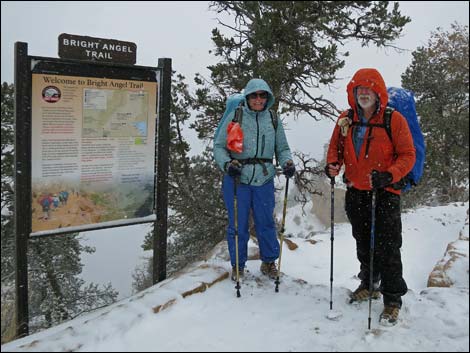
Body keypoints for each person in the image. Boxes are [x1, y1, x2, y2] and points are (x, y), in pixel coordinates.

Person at [324, 68, 416, 325]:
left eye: (368, 89)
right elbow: (336, 148)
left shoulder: (393, 119)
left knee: (388, 245)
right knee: (362, 241)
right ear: (353, 92)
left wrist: (390, 175)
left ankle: (392, 298)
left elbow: (408, 155)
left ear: (378, 92)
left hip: (385, 192)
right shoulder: (346, 119)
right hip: (356, 191)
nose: (363, 93)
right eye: (359, 89)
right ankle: (369, 281)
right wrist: (333, 165)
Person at [214, 78, 295, 282]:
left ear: (267, 97)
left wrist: (287, 163)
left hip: (264, 177)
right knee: (237, 224)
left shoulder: (273, 119)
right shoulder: (236, 116)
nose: (258, 99)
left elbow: (282, 148)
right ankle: (238, 266)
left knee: (266, 222)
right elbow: (219, 146)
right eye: (254, 95)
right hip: (237, 178)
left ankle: (268, 262)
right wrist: (227, 164)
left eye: (262, 95)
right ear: (247, 97)